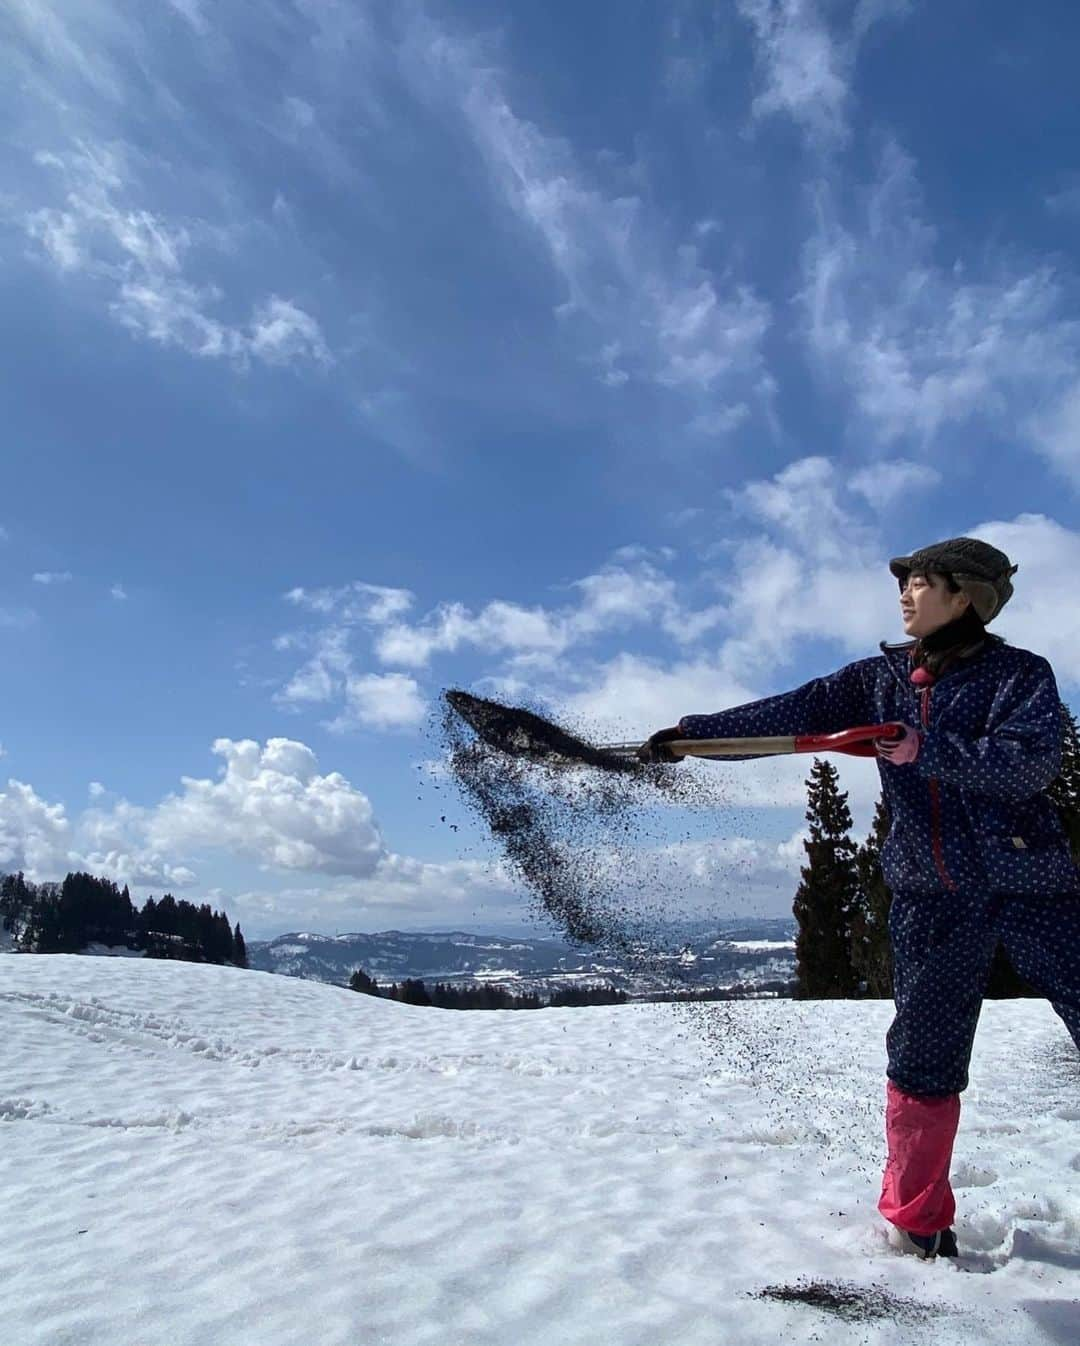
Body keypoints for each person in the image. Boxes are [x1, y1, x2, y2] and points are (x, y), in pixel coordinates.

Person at [640, 536, 1080, 1260]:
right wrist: (694, 734)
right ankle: (916, 1217)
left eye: (920, 582)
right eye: (903, 583)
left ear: (965, 596)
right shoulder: (880, 679)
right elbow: (799, 709)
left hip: (1030, 883)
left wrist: (923, 749)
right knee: (924, 1053)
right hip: (931, 895)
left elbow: (1029, 764)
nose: (905, 594)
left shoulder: (1018, 676)